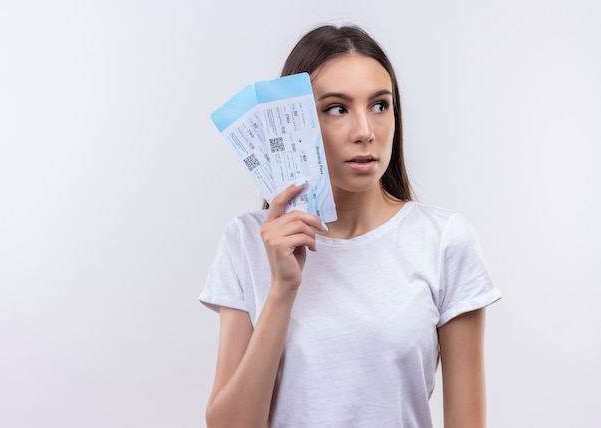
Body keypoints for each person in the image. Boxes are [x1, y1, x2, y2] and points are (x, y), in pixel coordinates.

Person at [200, 24, 501, 428]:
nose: (365, 132)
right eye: (337, 109)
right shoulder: (247, 241)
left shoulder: (444, 241)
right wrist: (282, 290)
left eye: (380, 105)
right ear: (296, 119)